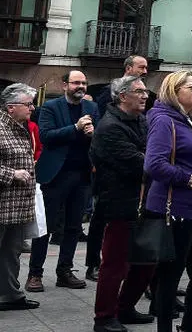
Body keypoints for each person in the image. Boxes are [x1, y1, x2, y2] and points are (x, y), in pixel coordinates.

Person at [144, 71, 192, 332]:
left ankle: (187, 325)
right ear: (173, 91)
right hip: (174, 209)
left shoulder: (191, 121)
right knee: (170, 276)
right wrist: (189, 179)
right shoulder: (164, 120)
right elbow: (154, 164)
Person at [89, 76, 155, 332]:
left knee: (146, 261)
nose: (145, 95)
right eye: (138, 91)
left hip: (144, 201)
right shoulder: (109, 127)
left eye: (145, 91)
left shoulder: (142, 121)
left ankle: (125, 307)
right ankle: (104, 317)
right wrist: (152, 158)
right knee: (115, 264)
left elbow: (153, 154)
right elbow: (140, 164)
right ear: (122, 96)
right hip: (118, 203)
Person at [28, 71, 100, 293]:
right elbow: (47, 136)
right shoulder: (51, 107)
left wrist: (93, 133)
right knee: (46, 227)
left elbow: (98, 138)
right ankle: (35, 274)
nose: (80, 86)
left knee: (73, 226)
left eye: (84, 83)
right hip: (55, 175)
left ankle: (65, 271)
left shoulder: (92, 108)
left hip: (81, 175)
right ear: (64, 85)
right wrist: (76, 128)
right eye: (76, 83)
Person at [0, 83, 41, 312]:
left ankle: (10, 295)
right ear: (11, 107)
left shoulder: (19, 126)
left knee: (11, 251)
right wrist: (11, 173)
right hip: (3, 202)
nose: (32, 108)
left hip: (16, 205)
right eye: (28, 104)